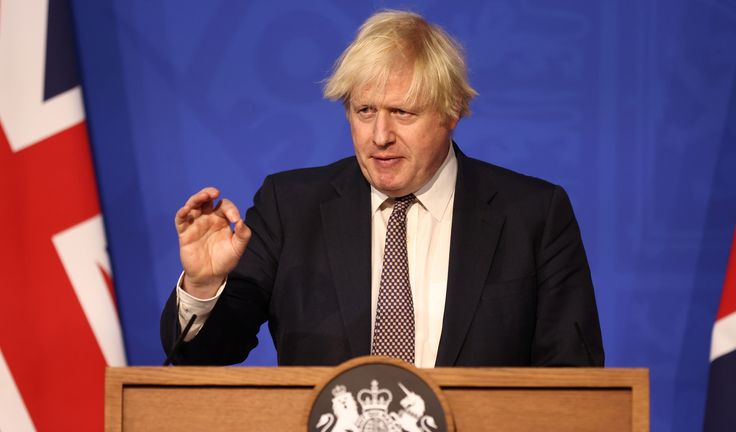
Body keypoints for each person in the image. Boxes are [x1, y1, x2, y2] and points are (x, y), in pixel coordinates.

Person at [161, 10, 604, 367]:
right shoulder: (289, 207)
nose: (379, 136)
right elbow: (204, 354)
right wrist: (203, 284)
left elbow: (574, 383)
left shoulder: (533, 215)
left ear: (450, 113)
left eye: (402, 113)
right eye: (365, 110)